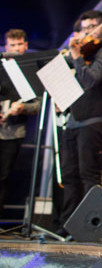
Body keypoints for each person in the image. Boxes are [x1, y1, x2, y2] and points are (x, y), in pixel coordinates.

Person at [59, 11, 102, 225]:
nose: (87, 32)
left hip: (95, 120)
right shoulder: (82, 52)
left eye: (91, 27)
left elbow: (89, 81)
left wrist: (76, 58)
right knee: (69, 175)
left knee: (88, 174)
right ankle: (67, 225)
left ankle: (88, 224)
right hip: (74, 120)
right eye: (84, 29)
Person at [0, 29, 40, 213]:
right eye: (12, 45)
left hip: (13, 132)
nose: (16, 49)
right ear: (6, 47)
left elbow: (39, 105)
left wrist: (23, 108)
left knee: (3, 176)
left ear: (26, 46)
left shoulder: (31, 72)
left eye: (19, 44)